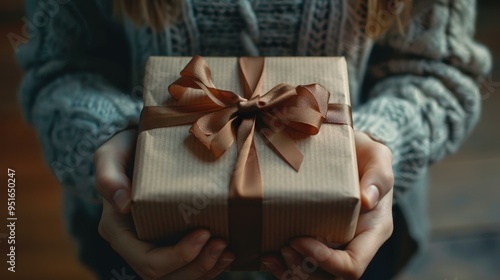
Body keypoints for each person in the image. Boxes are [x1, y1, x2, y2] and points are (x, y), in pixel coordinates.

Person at [17, 0, 491, 279]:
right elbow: (60, 66)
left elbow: (440, 71)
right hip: (134, 239)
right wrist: (105, 138)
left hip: (360, 237)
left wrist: (387, 139)